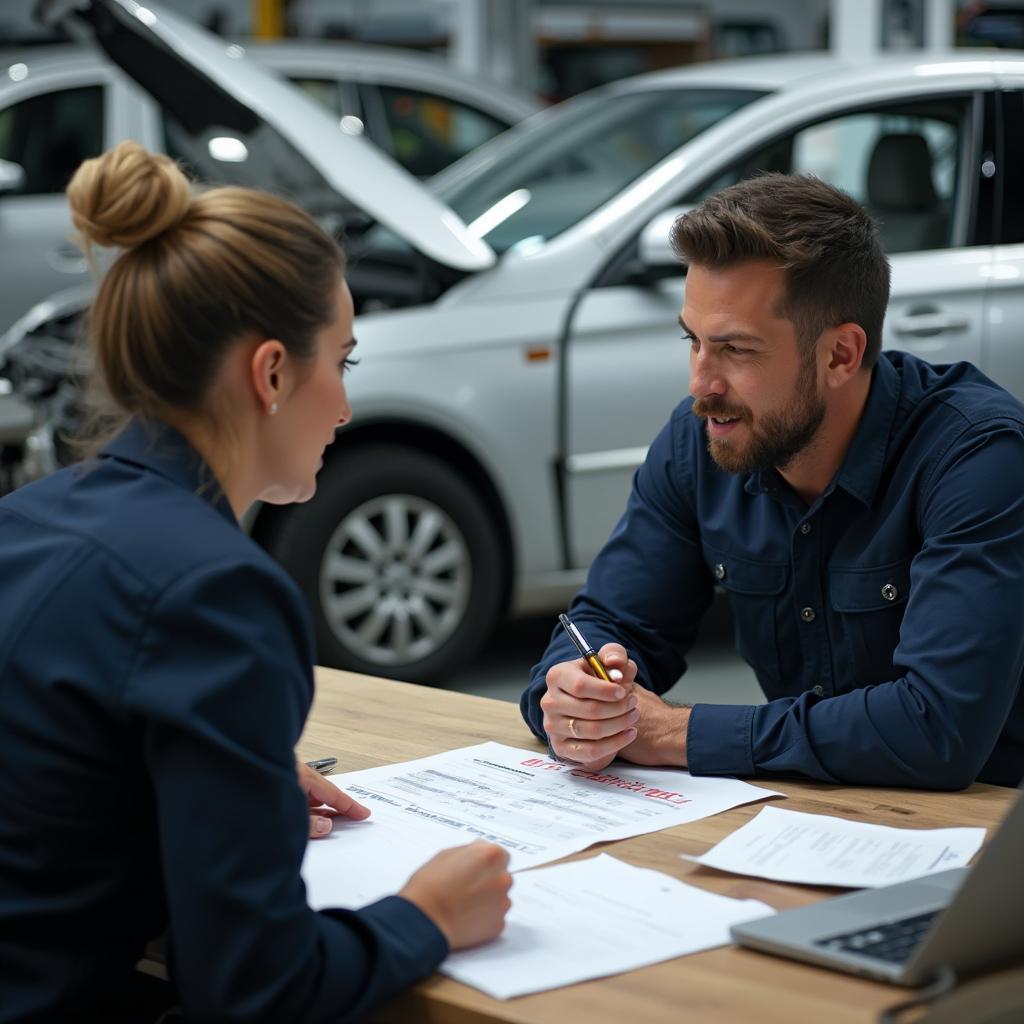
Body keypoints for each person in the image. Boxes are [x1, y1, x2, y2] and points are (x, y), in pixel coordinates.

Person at [0, 141, 511, 1023]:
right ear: (271, 373)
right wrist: (424, 917)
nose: (347, 408)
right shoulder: (216, 591)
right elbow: (255, 991)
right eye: (342, 362)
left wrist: (223, 780)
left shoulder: (28, 518)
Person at [521, 173, 1024, 791]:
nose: (701, 384)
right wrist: (573, 697)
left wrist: (674, 733)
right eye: (694, 342)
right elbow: (610, 622)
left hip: (990, 842)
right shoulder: (700, 442)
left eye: (735, 349)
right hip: (804, 824)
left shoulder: (977, 457)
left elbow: (938, 728)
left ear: (840, 354)